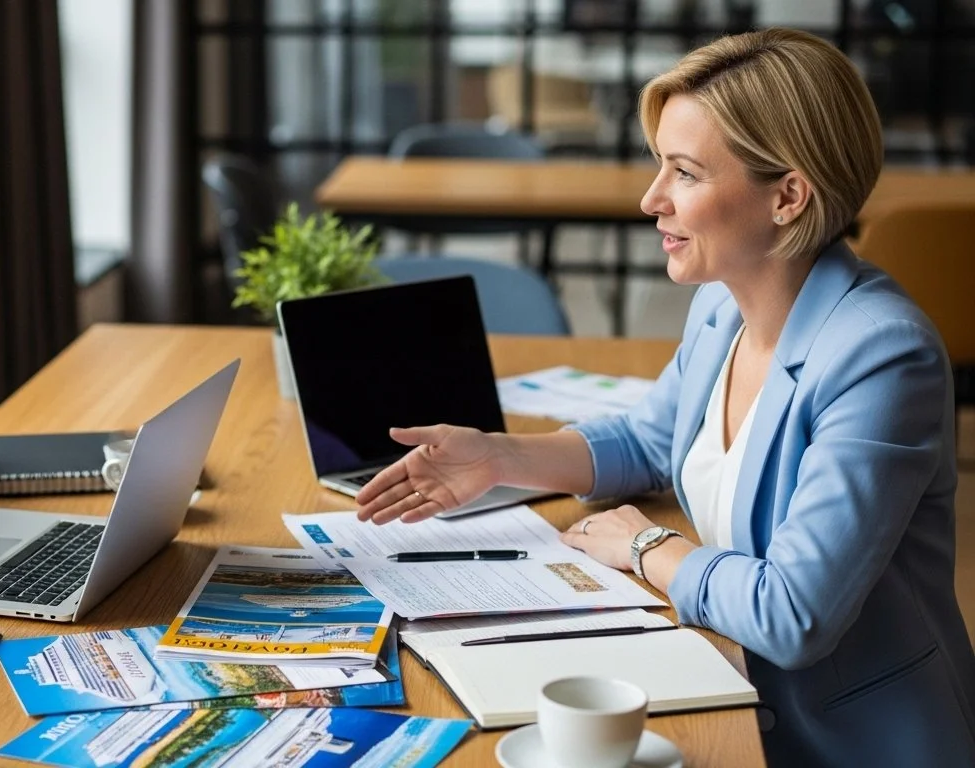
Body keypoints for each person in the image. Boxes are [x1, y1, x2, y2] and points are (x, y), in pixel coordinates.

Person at [354, 28, 975, 767]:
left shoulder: (881, 355)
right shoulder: (721, 307)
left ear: (788, 196)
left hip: (854, 740)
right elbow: (651, 441)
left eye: (683, 173)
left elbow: (794, 613)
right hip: (733, 681)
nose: (652, 200)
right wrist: (497, 457)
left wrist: (647, 547)